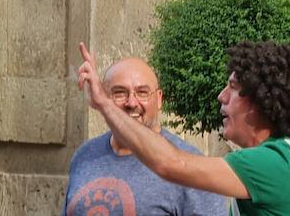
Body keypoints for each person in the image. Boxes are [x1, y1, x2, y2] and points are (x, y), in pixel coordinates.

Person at [77, 41, 290, 216]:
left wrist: (104, 103)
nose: (221, 96)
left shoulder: (270, 163)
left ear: (259, 101)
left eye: (233, 88)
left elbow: (170, 164)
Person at [64, 57, 229, 216]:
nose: (131, 103)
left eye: (142, 93)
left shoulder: (189, 165)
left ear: (159, 99)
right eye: (119, 93)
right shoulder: (85, 155)